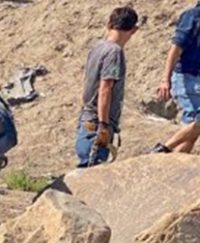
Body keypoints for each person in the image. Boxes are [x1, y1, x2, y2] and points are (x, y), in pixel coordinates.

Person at [76, 7, 140, 168]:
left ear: (109, 24)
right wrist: (104, 125)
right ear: (134, 30)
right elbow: (105, 88)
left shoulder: (98, 47)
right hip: (97, 125)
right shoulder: (114, 52)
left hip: (87, 119)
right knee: (91, 170)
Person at [151, 2, 200, 154]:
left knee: (191, 132)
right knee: (196, 123)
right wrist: (165, 80)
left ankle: (173, 162)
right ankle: (164, 148)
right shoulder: (193, 16)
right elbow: (176, 48)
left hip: (194, 77)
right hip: (187, 77)